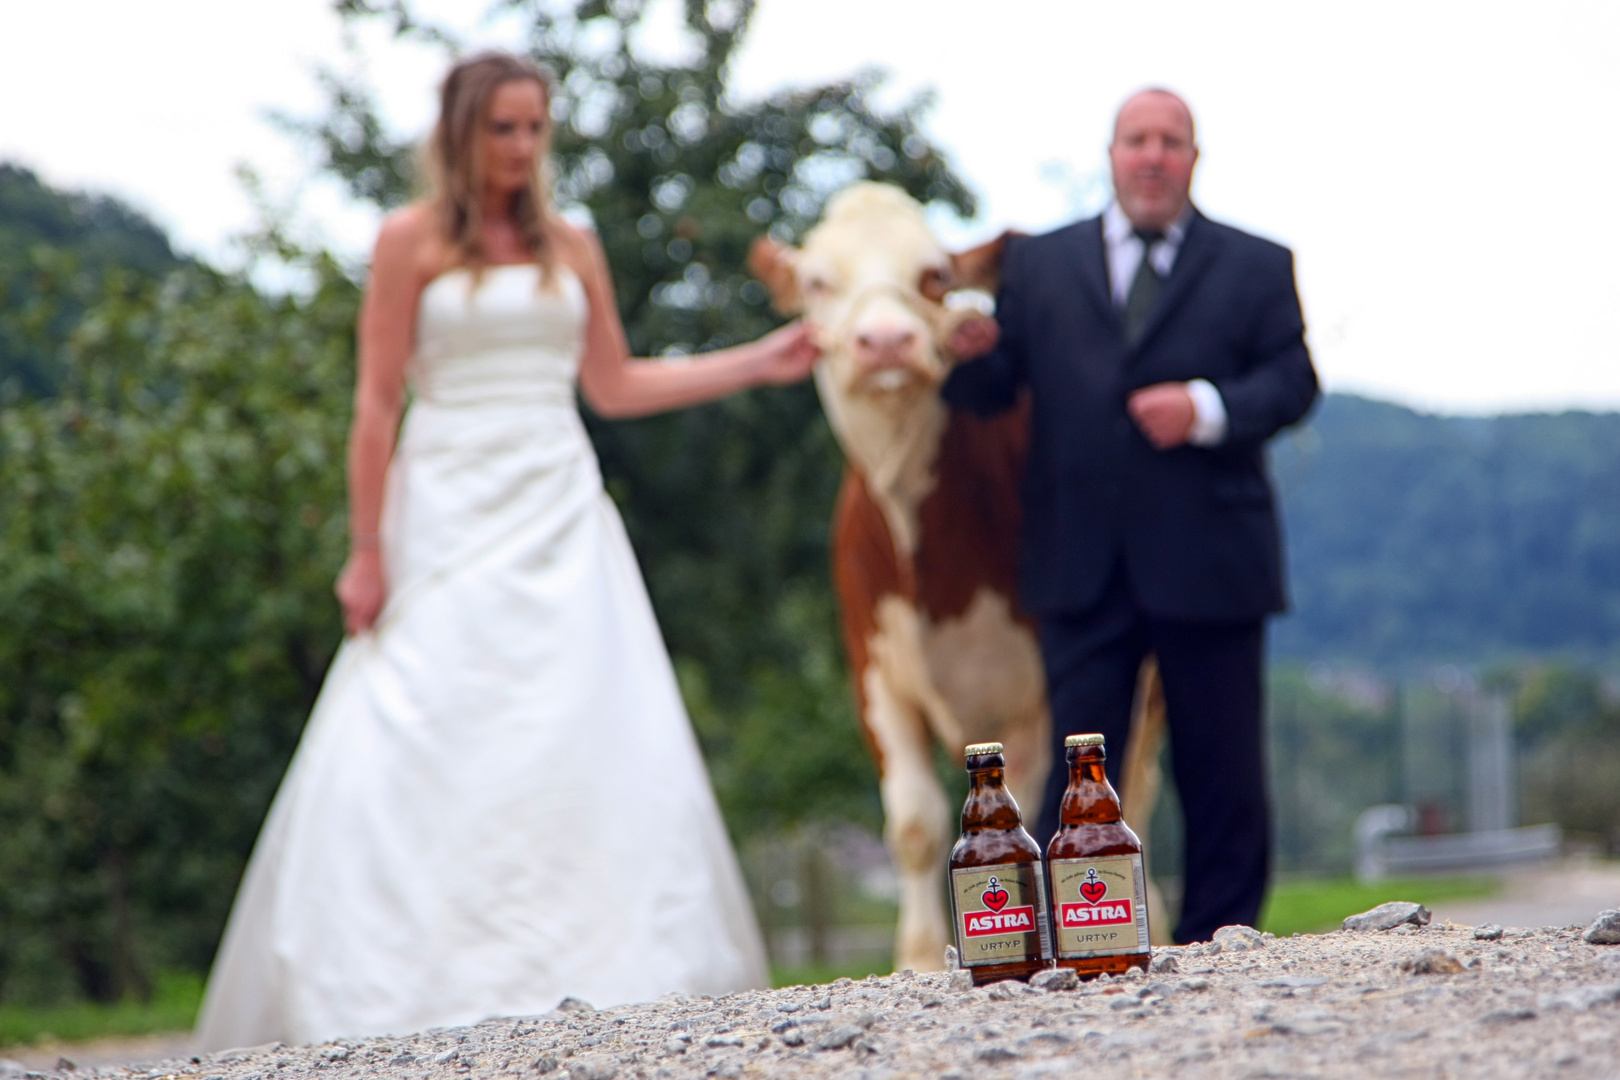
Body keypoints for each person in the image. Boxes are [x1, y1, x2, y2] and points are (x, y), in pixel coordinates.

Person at [196, 52, 818, 1050]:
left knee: (581, 723)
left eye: (536, 129)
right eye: (503, 129)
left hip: (558, 503)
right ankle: (389, 990)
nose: (522, 148)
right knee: (420, 724)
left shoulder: (573, 243)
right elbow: (374, 403)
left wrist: (758, 360)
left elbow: (611, 386)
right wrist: (365, 549)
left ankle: (611, 975)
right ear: (460, 133)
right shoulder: (409, 241)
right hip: (442, 503)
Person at [943, 88, 1318, 945]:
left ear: (1194, 158)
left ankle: (1218, 945)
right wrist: (970, 359)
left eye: (1171, 141)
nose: (1153, 155)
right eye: (1136, 140)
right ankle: (1081, 938)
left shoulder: (1258, 264)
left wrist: (1207, 406)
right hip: (1080, 559)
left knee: (1221, 774)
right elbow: (997, 390)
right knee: (1079, 766)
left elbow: (1294, 382)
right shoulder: (1039, 265)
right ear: (1110, 156)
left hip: (1213, 556)